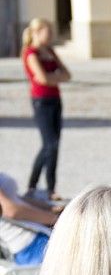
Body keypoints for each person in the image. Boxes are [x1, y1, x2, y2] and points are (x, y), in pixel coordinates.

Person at [21, 18, 71, 197]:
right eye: (47, 32)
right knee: (49, 144)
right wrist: (55, 76)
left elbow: (67, 74)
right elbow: (42, 79)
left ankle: (45, 187)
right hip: (41, 100)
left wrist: (53, 77)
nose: (50, 35)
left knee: (53, 145)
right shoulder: (30, 53)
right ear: (36, 32)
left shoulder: (50, 51)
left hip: (55, 99)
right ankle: (38, 186)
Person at [0, 173, 62, 265]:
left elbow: (16, 199)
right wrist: (55, 220)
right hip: (31, 244)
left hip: (33, 241)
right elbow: (10, 210)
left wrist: (50, 208)